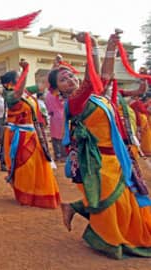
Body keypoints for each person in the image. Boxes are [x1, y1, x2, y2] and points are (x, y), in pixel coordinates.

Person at [58, 31, 151, 259]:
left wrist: (106, 46)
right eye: (63, 79)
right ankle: (110, 241)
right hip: (99, 160)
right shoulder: (76, 102)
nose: (70, 79)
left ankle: (75, 208)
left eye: (71, 75)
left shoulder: (96, 97)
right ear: (58, 89)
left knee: (126, 202)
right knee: (110, 202)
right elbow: (95, 78)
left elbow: (103, 75)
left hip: (119, 157)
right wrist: (91, 46)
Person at [0, 60, 60, 209]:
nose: (22, 77)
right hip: (18, 136)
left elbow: (44, 85)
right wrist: (26, 70)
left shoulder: (26, 92)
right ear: (11, 82)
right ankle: (25, 194)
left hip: (32, 134)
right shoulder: (9, 94)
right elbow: (18, 92)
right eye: (19, 76)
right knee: (25, 166)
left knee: (38, 164)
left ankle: (37, 193)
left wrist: (55, 68)